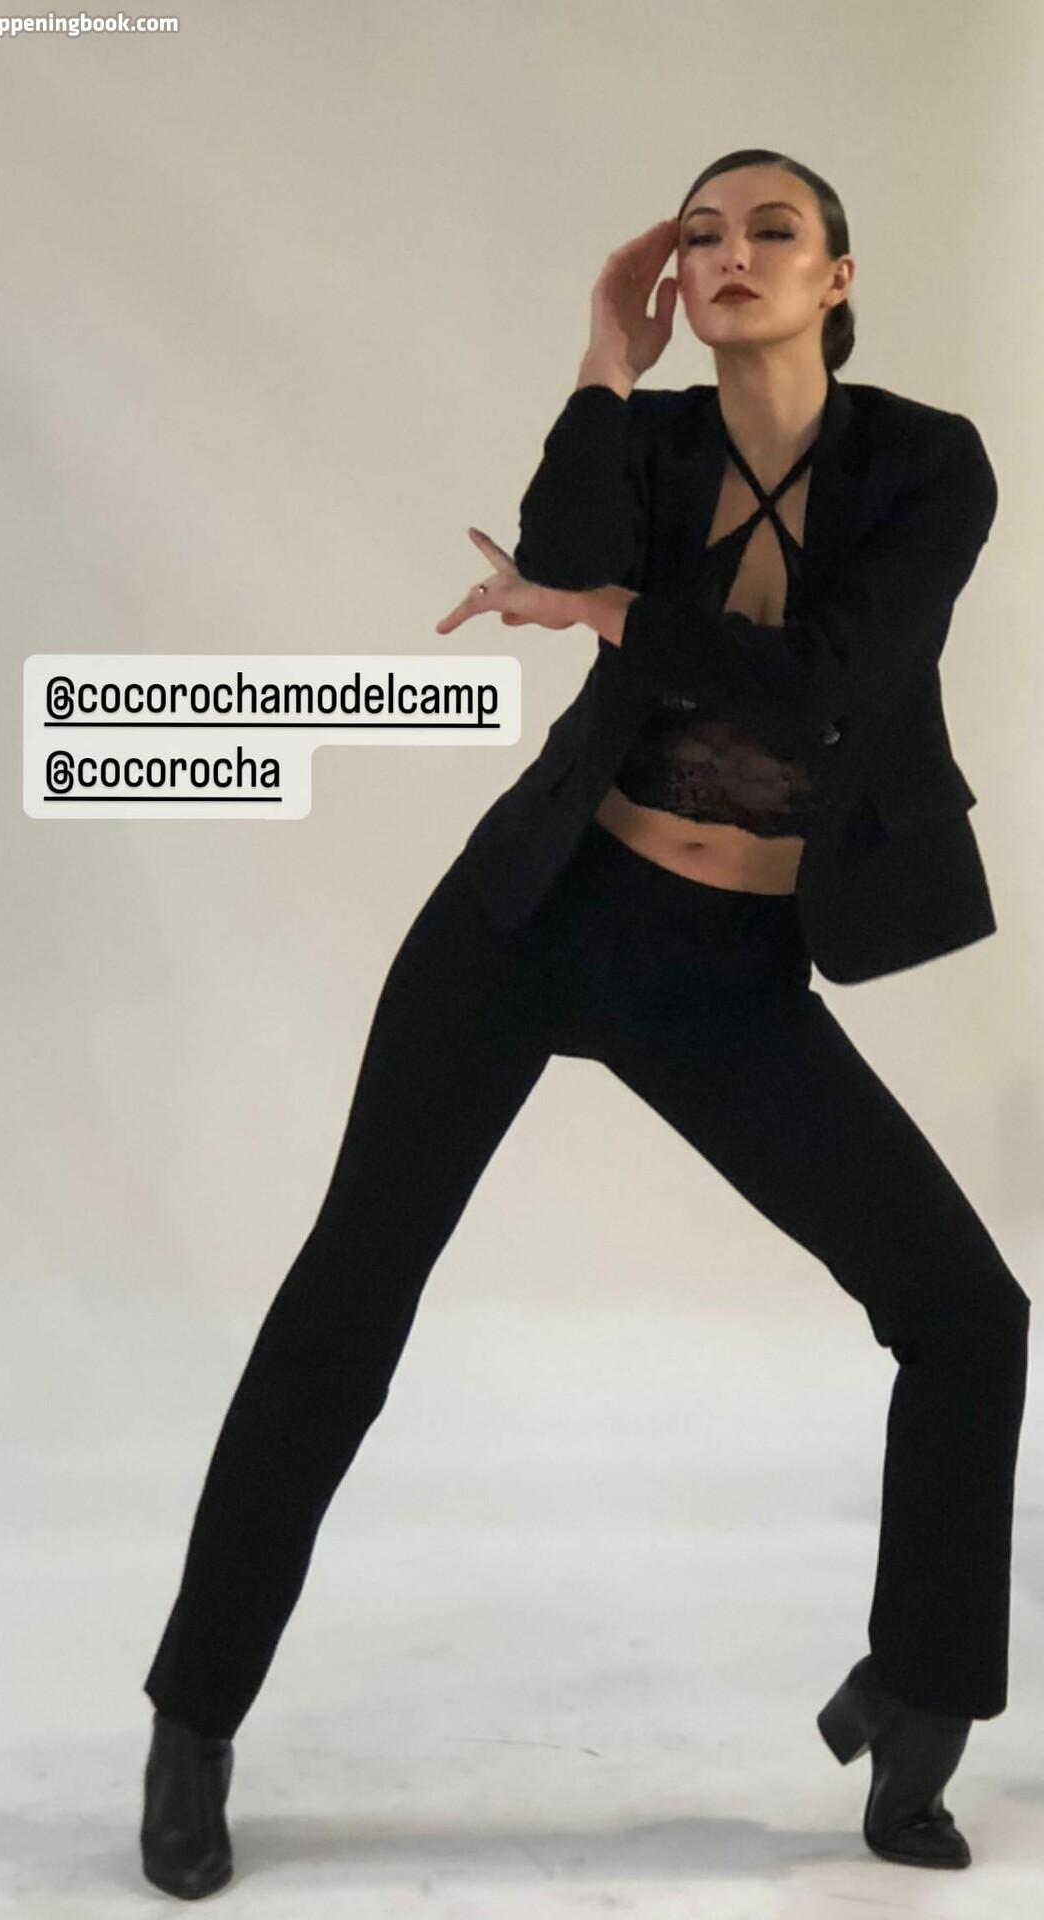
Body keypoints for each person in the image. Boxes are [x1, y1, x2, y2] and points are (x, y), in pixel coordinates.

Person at [140, 149, 1030, 1897]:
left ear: (839, 278)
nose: (732, 253)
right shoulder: (658, 442)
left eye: (773, 228)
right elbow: (553, 559)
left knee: (964, 1312)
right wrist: (606, 366)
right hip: (534, 915)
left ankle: (921, 1706)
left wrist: (616, 614)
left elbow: (831, 682)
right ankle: (191, 1722)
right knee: (347, 1305)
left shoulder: (927, 465)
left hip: (729, 968)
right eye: (703, 234)